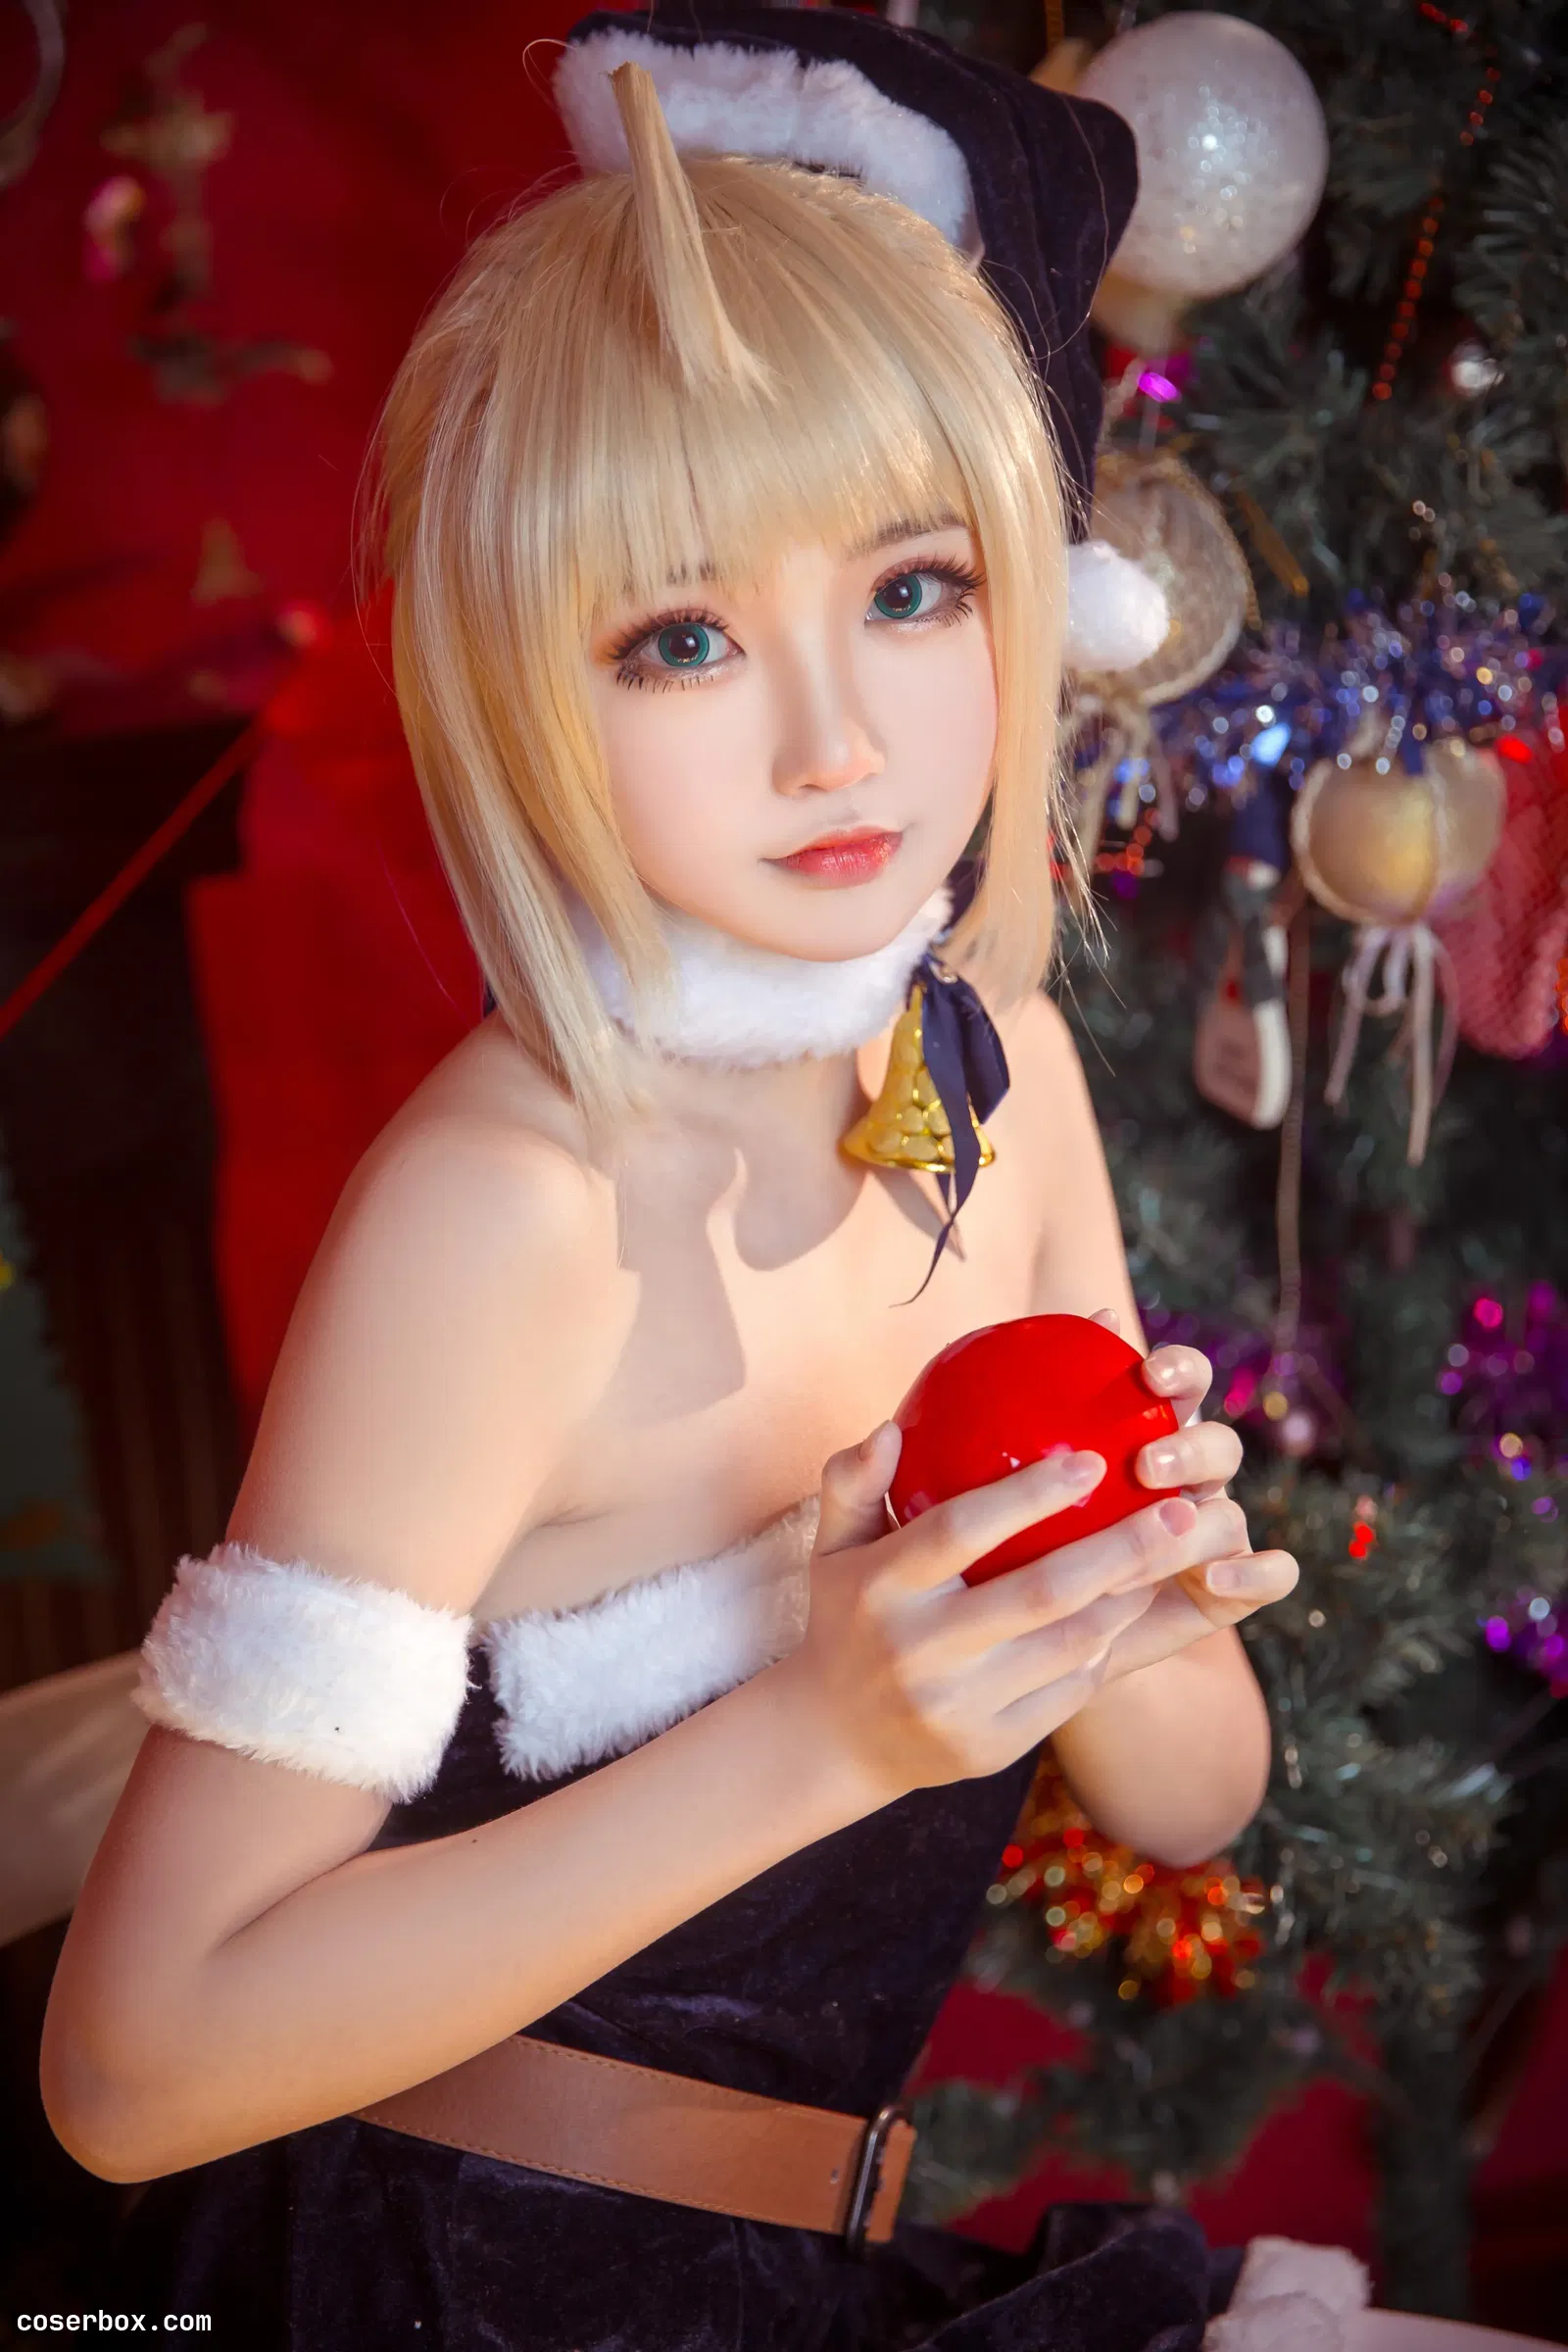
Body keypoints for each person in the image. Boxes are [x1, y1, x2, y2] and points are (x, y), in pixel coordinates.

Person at [39, 15, 1335, 2348]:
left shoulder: (1003, 1086)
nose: (832, 743)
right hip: (428, 2286)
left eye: (910, 591)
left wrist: (1123, 1582)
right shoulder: (506, 1210)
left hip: (794, 2276)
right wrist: (826, 1732)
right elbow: (133, 2076)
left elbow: (1189, 1797)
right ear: (528, 687)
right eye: (684, 636)